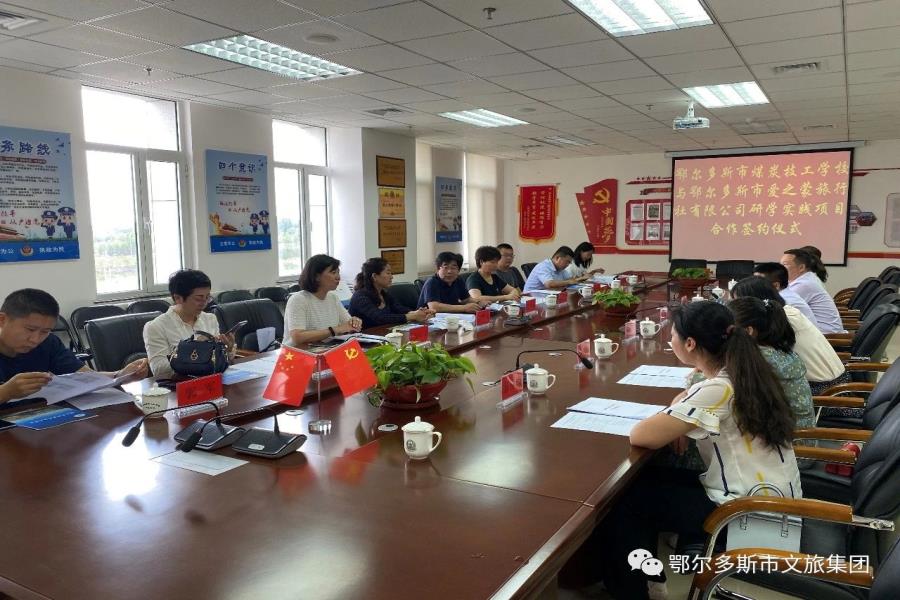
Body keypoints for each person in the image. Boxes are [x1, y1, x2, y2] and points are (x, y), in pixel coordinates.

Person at [592, 302, 801, 599]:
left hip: (745, 512)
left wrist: (676, 417)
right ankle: (650, 582)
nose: (670, 341)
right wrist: (680, 411)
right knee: (645, 481)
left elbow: (641, 435)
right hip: (768, 495)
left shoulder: (719, 389)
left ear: (690, 343)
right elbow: (691, 396)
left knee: (626, 504)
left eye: (672, 336)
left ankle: (632, 591)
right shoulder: (744, 372)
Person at [1, 288, 148, 404]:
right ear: (2, 320)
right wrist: (6, 392)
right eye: (30, 329)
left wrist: (120, 375)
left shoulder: (48, 342)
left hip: (36, 416)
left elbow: (86, 377)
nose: (35, 339)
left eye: (44, 332)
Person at [731, 276, 849, 397]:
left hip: (827, 391)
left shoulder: (781, 320)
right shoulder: (787, 311)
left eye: (738, 302)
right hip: (833, 382)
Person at [728, 296, 814, 429]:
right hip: (801, 431)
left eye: (729, 331)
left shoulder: (759, 356)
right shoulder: (777, 349)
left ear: (749, 331)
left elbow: (723, 382)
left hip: (789, 436)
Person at [144, 269, 235, 380]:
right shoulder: (156, 327)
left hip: (211, 381)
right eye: (198, 298)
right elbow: (159, 370)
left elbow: (217, 363)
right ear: (178, 298)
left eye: (207, 297)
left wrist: (227, 350)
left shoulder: (210, 319)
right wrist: (195, 349)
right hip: (178, 386)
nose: (204, 303)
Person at [285, 254, 362, 346]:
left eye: (338, 272)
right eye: (333, 272)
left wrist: (355, 322)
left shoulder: (333, 298)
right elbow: (297, 337)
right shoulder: (298, 299)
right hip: (296, 352)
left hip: (324, 348)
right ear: (316, 276)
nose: (338, 277)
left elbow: (348, 324)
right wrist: (334, 330)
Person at [349, 258, 432, 329]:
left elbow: (399, 309)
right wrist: (412, 316)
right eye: (388, 273)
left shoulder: (384, 294)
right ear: (374, 276)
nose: (392, 277)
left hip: (383, 334)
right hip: (363, 338)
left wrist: (419, 312)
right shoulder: (360, 297)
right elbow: (380, 318)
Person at [781, 248, 844, 333]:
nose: (780, 268)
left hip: (826, 336)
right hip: (818, 332)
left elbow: (780, 307)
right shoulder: (805, 279)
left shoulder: (804, 284)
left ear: (801, 267)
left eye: (784, 265)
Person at [418, 252, 484, 314]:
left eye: (453, 268)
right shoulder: (432, 282)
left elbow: (466, 299)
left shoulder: (458, 279)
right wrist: (464, 308)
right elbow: (434, 307)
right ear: (438, 269)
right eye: (445, 267)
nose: (449, 271)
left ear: (458, 270)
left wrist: (479, 302)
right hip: (428, 318)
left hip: (452, 317)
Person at [522, 246, 588, 293]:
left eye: (569, 263)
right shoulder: (543, 266)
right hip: (530, 299)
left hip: (546, 296)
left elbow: (570, 280)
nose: (568, 265)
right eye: (567, 262)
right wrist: (568, 282)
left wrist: (576, 280)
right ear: (557, 258)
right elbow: (549, 284)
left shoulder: (561, 269)